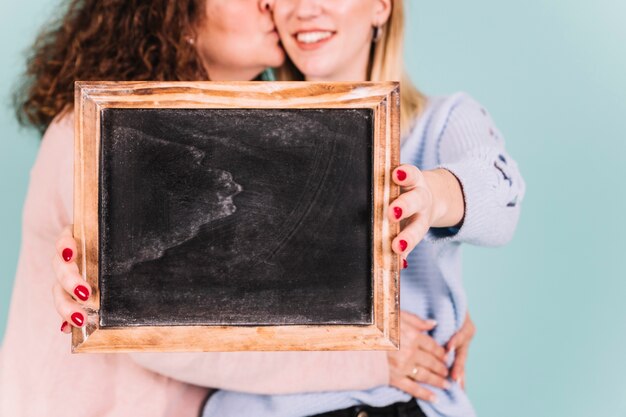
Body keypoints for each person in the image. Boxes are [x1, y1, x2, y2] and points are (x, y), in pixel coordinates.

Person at [1, 0, 475, 416]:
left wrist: (443, 306)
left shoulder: (238, 147)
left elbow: (291, 278)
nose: (272, 3)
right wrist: (369, 358)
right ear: (177, 15)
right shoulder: (103, 136)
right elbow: (168, 333)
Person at [194, 0, 526, 416]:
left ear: (381, 8)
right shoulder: (228, 134)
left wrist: (433, 195)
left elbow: (499, 193)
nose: (304, 9)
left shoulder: (439, 122)